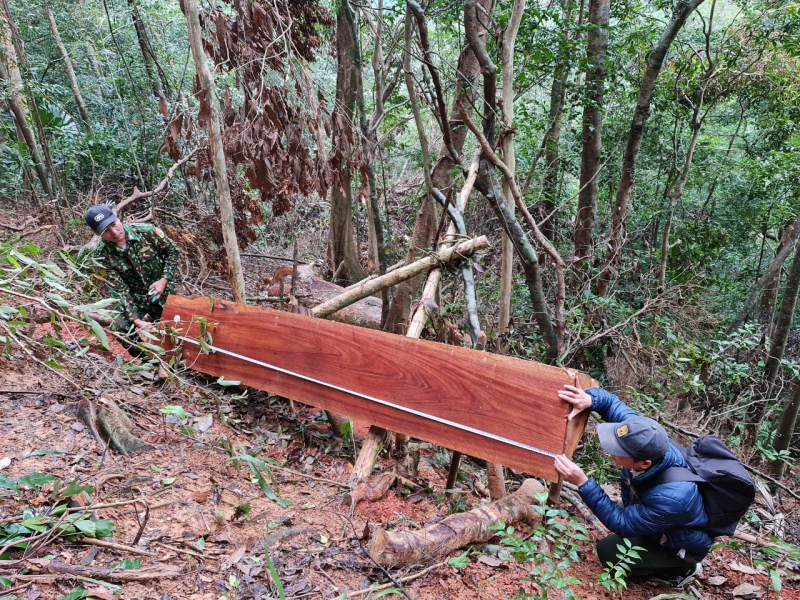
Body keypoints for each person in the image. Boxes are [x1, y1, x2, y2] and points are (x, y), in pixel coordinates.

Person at [553, 382, 711, 587]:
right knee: (619, 525)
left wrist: (583, 482)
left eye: (618, 452)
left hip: (677, 545)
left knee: (608, 552)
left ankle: (680, 569)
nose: (611, 452)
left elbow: (622, 524)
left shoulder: (673, 496)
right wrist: (590, 399)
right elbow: (611, 405)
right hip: (657, 518)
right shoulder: (643, 437)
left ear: (644, 463)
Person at [84, 205, 180, 343]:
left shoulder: (146, 232)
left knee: (180, 327)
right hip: (136, 297)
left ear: (117, 218)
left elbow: (173, 252)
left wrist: (164, 280)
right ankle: (149, 359)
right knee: (119, 327)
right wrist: (136, 320)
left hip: (165, 290)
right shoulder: (101, 256)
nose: (114, 231)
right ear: (96, 232)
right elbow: (120, 290)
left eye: (113, 224)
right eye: (106, 230)